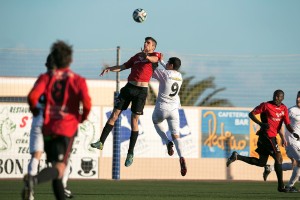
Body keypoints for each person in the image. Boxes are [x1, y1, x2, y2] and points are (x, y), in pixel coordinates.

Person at [22, 40, 91, 200]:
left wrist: (35, 110)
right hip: (66, 129)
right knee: (60, 168)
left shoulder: (45, 77)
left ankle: (35, 183)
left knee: (56, 169)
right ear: (70, 60)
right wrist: (82, 118)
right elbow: (86, 103)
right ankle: (34, 180)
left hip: (47, 127)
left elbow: (32, 97)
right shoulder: (77, 80)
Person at [90, 37, 161, 167]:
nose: (145, 43)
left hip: (141, 91)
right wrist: (110, 68)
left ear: (153, 47)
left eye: (148, 43)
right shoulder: (136, 56)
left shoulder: (155, 55)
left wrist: (146, 54)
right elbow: (123, 67)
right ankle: (100, 142)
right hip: (128, 88)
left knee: (134, 120)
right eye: (145, 42)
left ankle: (130, 153)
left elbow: (154, 60)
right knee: (114, 115)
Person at [226, 89, 294, 192]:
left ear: (282, 98)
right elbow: (251, 114)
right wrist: (261, 124)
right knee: (279, 158)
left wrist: (293, 133)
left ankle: (237, 156)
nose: (276, 98)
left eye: (278, 96)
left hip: (270, 137)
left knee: (261, 163)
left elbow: (287, 124)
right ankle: (281, 186)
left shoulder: (284, 109)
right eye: (275, 95)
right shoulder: (266, 105)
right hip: (266, 136)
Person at [26, 54, 73, 199]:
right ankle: (63, 187)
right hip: (53, 123)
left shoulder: (40, 80)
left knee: (36, 156)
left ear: (46, 65)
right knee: (62, 161)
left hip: (39, 120)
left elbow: (32, 98)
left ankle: (30, 190)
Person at [152, 56, 187, 176]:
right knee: (176, 136)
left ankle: (167, 142)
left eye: (167, 62)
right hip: (174, 110)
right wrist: (161, 60)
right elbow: (168, 70)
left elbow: (151, 70)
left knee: (155, 121)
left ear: (171, 65)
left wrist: (151, 59)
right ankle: (181, 156)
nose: (165, 63)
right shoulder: (180, 76)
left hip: (162, 108)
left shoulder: (164, 74)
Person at [263, 91, 300, 192]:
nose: (298, 99)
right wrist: (283, 137)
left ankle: (270, 168)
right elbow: (280, 124)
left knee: (294, 165)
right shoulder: (291, 111)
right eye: (298, 97)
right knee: (299, 163)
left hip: (299, 142)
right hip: (291, 142)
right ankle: (289, 186)